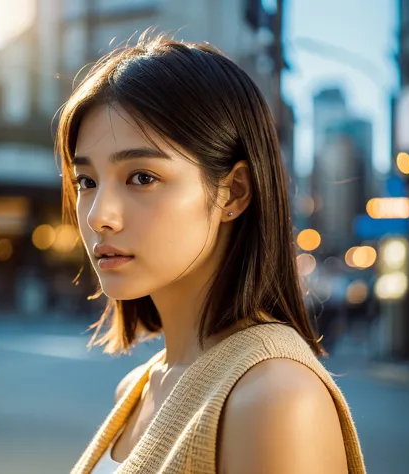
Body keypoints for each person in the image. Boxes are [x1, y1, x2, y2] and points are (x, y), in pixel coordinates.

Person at [58, 32, 366, 474]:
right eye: (86, 182)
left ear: (233, 192)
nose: (98, 217)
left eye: (142, 177)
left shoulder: (273, 396)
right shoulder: (138, 386)